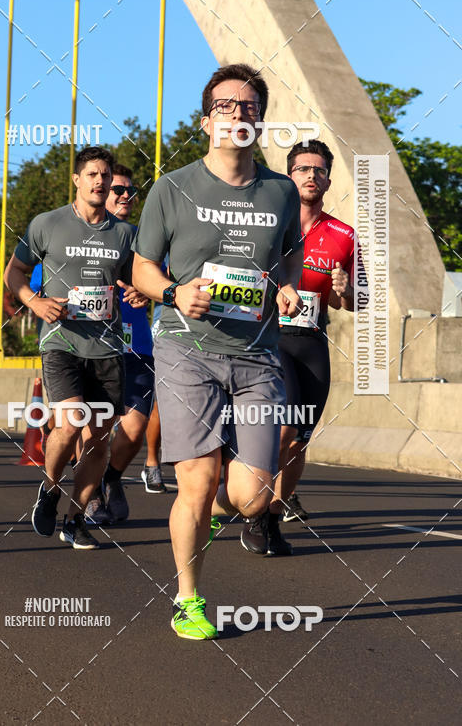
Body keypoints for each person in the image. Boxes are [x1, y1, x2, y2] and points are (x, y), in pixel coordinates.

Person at [132, 63, 303, 640]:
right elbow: (142, 268)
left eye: (249, 106)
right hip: (187, 348)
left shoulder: (280, 191)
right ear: (207, 121)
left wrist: (285, 285)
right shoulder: (172, 187)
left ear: (260, 121)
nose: (238, 114)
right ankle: (188, 599)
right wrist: (176, 292)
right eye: (226, 106)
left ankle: (229, 491)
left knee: (253, 497)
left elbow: (289, 259)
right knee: (197, 482)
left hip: (256, 353)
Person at [4, 147, 148, 550]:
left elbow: (141, 279)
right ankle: (49, 488)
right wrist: (33, 301)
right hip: (62, 344)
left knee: (99, 439)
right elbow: (13, 272)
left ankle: (75, 518)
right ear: (77, 180)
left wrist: (140, 292)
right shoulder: (47, 224)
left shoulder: (125, 234)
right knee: (68, 426)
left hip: (106, 349)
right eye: (92, 175)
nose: (100, 181)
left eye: (105, 175)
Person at [270, 140, 355, 524]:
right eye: (303, 169)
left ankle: (273, 510)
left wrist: (346, 290)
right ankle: (257, 502)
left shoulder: (344, 235)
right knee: (286, 424)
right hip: (270, 339)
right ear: (290, 177)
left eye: (319, 170)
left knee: (301, 434)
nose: (311, 175)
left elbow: (354, 302)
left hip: (312, 339)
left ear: (328, 181)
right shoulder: (268, 225)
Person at [87, 164, 157, 524]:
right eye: (119, 190)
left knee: (134, 428)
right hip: (91, 347)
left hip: (136, 346)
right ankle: (92, 492)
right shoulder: (79, 237)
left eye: (131, 191)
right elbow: (43, 283)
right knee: (95, 427)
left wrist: (147, 289)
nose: (126, 196)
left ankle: (111, 477)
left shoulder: (142, 238)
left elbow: (165, 277)